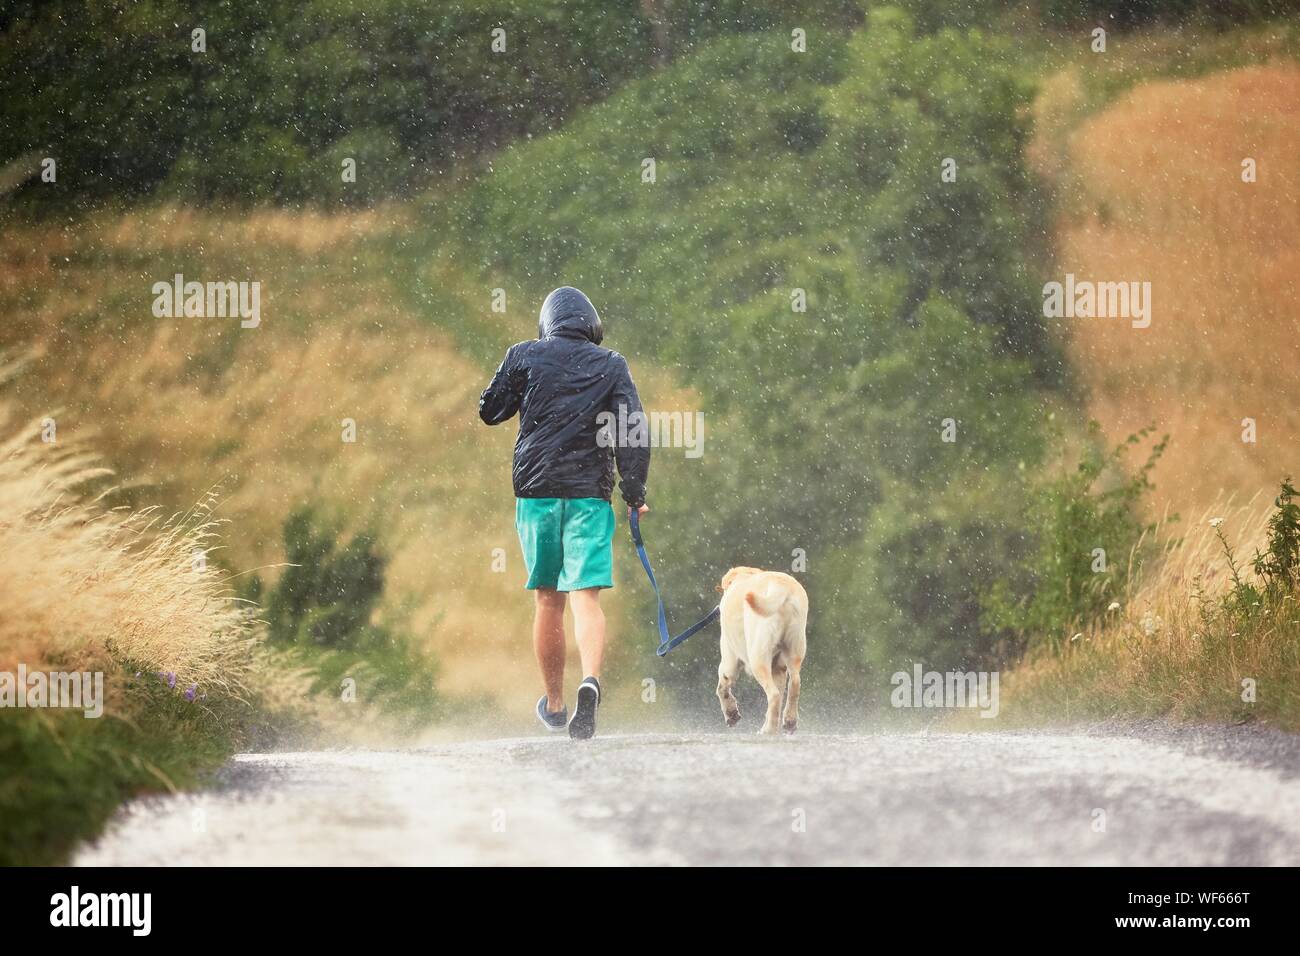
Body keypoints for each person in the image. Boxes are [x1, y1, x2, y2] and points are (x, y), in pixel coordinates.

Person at [479, 287, 650, 739]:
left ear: (547, 322)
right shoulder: (610, 364)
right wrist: (634, 491)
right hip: (589, 495)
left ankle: (555, 704)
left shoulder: (524, 355)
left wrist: (518, 378)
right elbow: (631, 427)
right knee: (585, 597)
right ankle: (589, 682)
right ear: (591, 326)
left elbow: (490, 411)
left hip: (536, 493)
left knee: (547, 598)